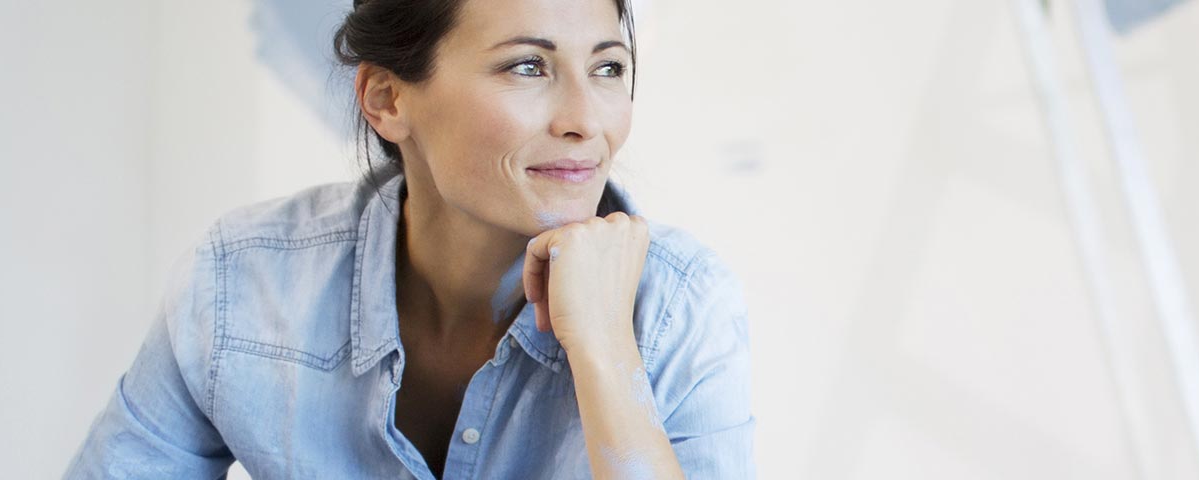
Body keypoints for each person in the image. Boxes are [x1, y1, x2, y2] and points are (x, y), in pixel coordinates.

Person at [66, 0, 752, 477]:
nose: (585, 119)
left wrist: (605, 347)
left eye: (607, 68)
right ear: (388, 100)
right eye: (527, 66)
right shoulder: (242, 284)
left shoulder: (679, 307)